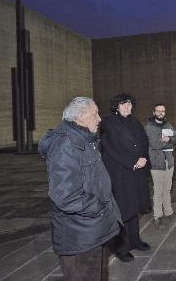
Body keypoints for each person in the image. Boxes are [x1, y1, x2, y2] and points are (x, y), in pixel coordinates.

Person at [39, 97, 122, 281]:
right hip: (79, 236)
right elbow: (65, 195)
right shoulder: (66, 145)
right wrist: (99, 207)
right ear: (81, 117)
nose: (100, 119)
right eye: (95, 114)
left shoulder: (83, 139)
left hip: (90, 231)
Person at [100, 94, 151, 262]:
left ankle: (135, 241)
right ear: (116, 106)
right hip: (120, 172)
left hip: (136, 172)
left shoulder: (134, 121)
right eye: (123, 104)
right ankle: (121, 248)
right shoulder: (109, 122)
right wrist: (132, 162)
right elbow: (110, 148)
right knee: (123, 210)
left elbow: (144, 141)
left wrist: (143, 158)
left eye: (129, 104)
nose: (127, 107)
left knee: (134, 208)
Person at [145, 104, 176, 230]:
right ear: (153, 112)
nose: (161, 113)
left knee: (167, 189)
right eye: (158, 111)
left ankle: (169, 212)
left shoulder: (168, 125)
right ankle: (157, 216)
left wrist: (169, 139)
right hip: (157, 163)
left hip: (169, 162)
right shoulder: (149, 127)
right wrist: (168, 142)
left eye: (163, 111)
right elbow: (155, 144)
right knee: (158, 190)